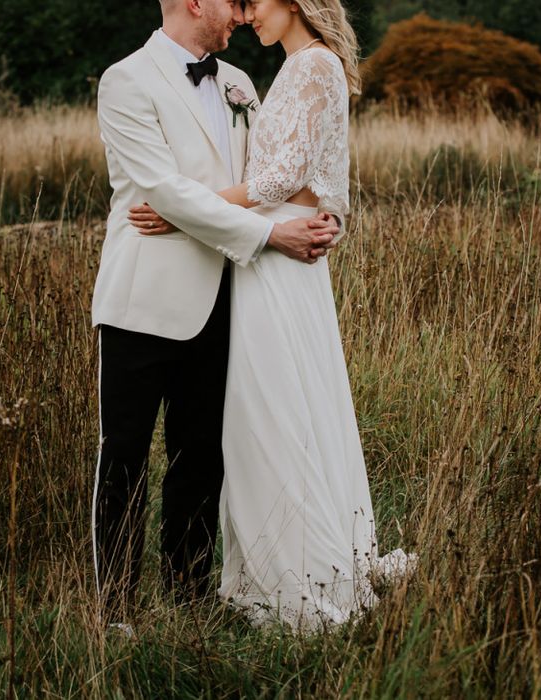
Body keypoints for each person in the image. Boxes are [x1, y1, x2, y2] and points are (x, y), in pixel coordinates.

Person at [132, 0, 417, 631]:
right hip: (269, 251)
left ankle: (295, 573)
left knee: (272, 409)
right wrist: (329, 217)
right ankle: (289, 562)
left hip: (276, 260)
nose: (247, 14)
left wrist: (186, 206)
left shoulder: (311, 66)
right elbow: (312, 180)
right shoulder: (296, 69)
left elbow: (282, 176)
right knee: (282, 404)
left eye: (255, 2)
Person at [91, 0, 341, 632]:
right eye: (233, 2)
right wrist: (270, 238)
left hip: (226, 296)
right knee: (124, 454)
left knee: (201, 455)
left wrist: (324, 208)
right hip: (142, 299)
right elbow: (163, 193)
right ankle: (115, 610)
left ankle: (189, 596)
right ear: (196, 2)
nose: (241, 12)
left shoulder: (238, 84)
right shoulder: (126, 80)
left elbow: (279, 169)